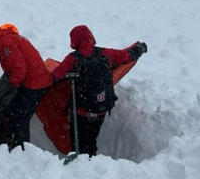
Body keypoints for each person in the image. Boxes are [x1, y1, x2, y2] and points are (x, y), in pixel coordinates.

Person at [51, 25, 147, 156]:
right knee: (91, 139)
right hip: (101, 109)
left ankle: (79, 162)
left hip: (82, 110)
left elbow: (55, 76)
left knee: (78, 141)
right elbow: (126, 56)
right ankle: (92, 159)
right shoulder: (106, 54)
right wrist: (139, 49)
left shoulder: (73, 59)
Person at [0, 24, 53, 150]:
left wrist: (7, 88)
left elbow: (18, 71)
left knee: (20, 117)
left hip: (35, 84)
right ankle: (15, 145)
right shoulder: (7, 39)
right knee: (15, 113)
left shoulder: (5, 43)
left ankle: (21, 150)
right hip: (36, 81)